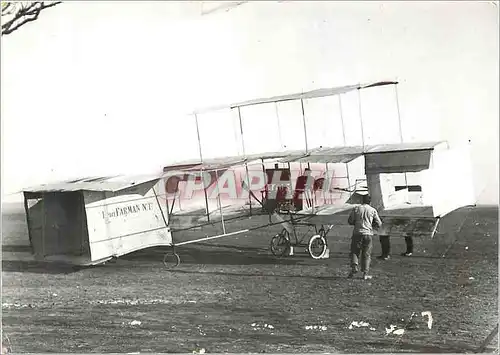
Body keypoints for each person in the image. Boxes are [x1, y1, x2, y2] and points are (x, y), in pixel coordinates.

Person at [347, 194, 382, 280]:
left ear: (362, 200)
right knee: (366, 254)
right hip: (368, 233)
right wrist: (372, 225)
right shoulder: (373, 210)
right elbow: (379, 223)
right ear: (370, 201)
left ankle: (354, 266)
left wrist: (356, 222)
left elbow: (350, 221)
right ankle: (365, 273)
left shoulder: (356, 209)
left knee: (355, 251)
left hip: (357, 233)